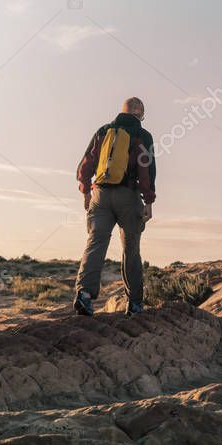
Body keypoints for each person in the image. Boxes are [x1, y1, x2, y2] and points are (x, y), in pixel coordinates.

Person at [73, 97, 156, 316]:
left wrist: (86, 192)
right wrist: (148, 201)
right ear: (140, 114)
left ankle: (84, 295)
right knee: (131, 249)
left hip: (100, 194)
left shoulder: (103, 130)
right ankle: (135, 303)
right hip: (127, 196)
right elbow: (147, 170)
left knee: (96, 243)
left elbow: (85, 164)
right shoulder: (142, 135)